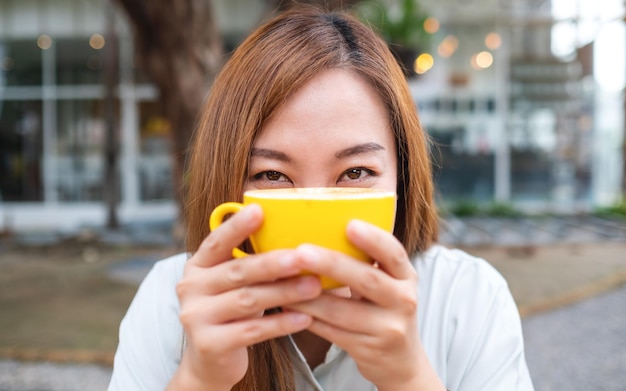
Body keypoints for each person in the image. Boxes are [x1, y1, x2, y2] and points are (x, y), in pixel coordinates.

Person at [109, 6, 534, 391]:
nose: (315, 204)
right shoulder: (172, 301)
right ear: (231, 192)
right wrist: (199, 379)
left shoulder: (467, 298)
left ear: (402, 180)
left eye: (355, 173)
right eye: (272, 175)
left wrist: (409, 379)